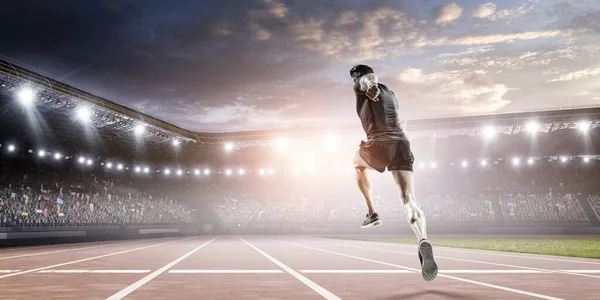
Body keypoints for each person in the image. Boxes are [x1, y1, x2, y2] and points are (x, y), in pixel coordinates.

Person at [350, 64, 438, 282]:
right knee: (408, 199)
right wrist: (377, 90)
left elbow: (367, 83)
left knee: (356, 164)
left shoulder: (363, 85)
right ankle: (423, 239)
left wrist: (370, 88)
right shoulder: (392, 92)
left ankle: (372, 213)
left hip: (379, 145)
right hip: (402, 144)